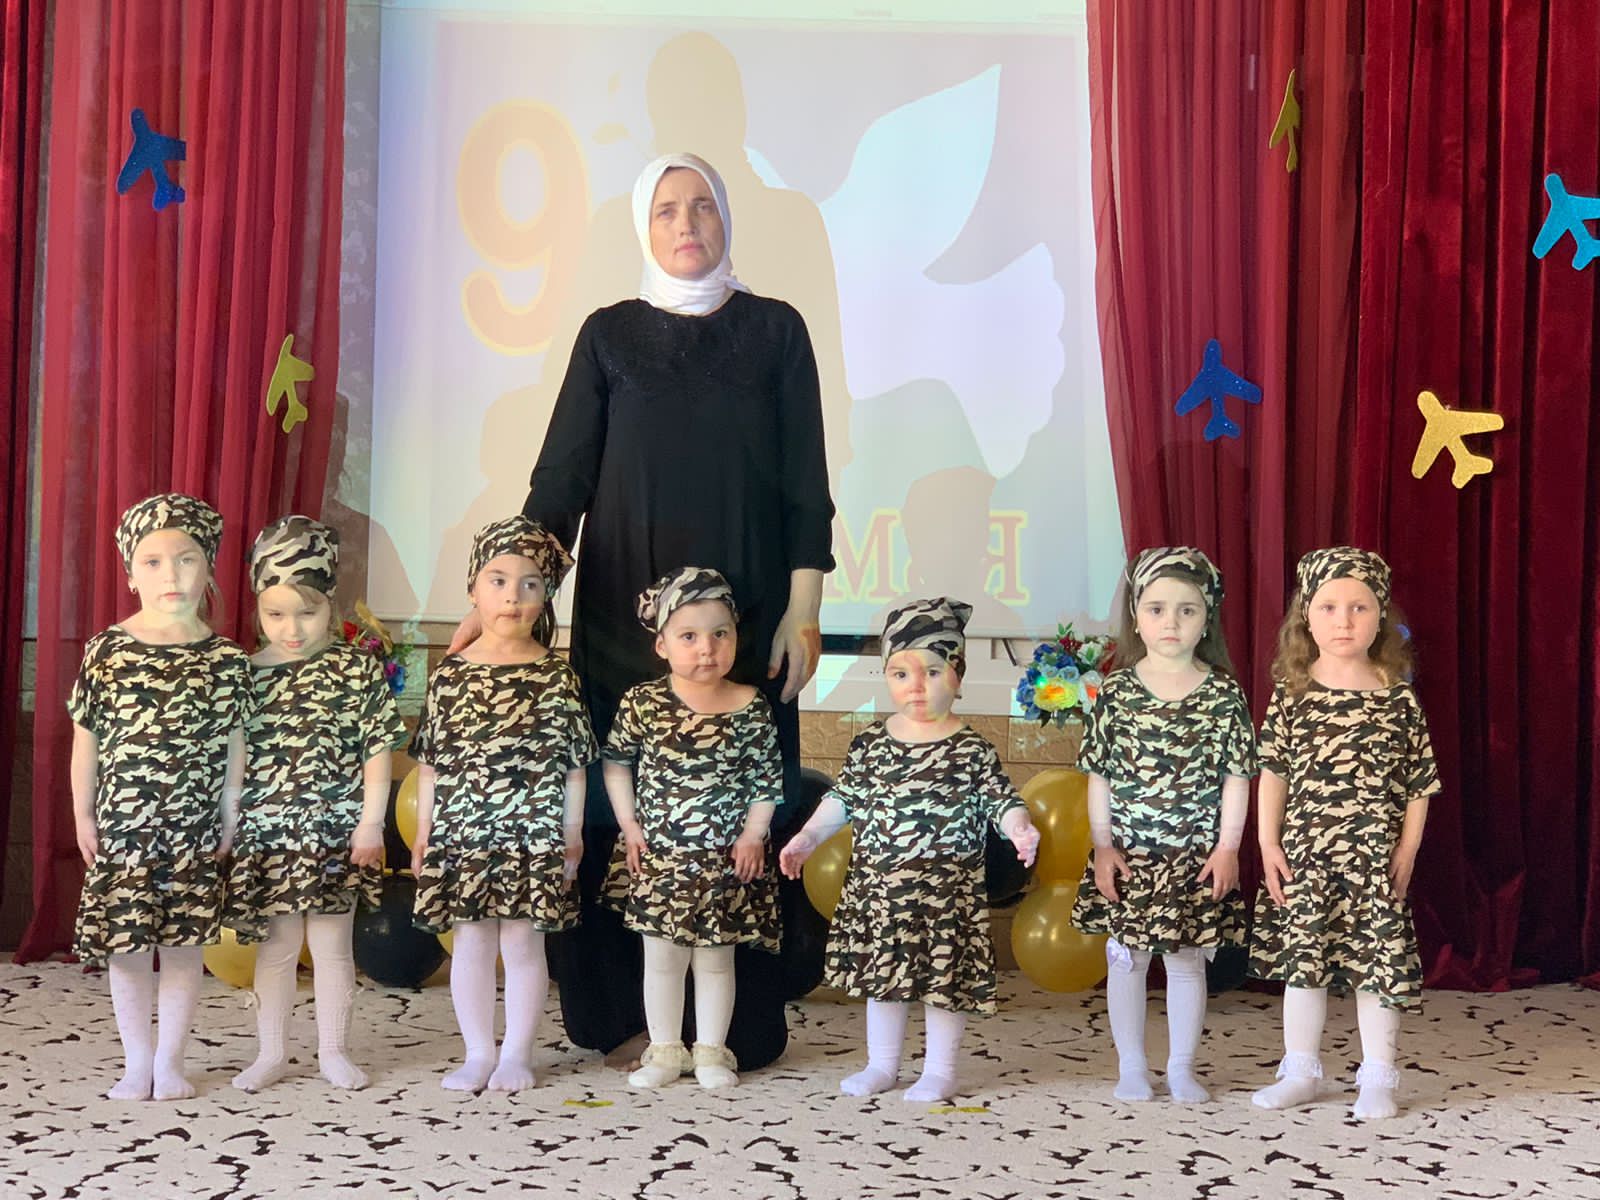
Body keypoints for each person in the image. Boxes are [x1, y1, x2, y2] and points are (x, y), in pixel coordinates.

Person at [451, 151, 835, 1070]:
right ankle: (622, 1009)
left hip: (743, 627)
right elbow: (562, 479)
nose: (686, 222)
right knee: (620, 813)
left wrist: (804, 608)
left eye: (702, 206)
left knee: (741, 816)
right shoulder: (608, 335)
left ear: (726, 218)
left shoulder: (777, 331)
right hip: (622, 632)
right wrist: (504, 599)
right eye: (666, 209)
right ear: (644, 226)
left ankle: (732, 1027)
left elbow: (806, 483)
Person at [779, 598, 1039, 1103]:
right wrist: (807, 839)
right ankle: (882, 1064)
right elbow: (843, 800)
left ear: (958, 675)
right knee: (884, 981)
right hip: (881, 893)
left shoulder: (971, 749)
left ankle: (940, 1070)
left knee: (944, 984)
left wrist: (1019, 828)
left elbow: (1001, 800)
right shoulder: (871, 744)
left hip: (946, 896)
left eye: (933, 671)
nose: (915, 685)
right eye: (900, 673)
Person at [69, 493, 253, 1100]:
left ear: (209, 568)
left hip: (192, 831)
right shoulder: (107, 650)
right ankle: (136, 1062)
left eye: (186, 559)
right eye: (153, 562)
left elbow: (235, 747)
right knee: (126, 948)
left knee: (182, 948)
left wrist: (230, 816)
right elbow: (87, 741)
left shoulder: (226, 660)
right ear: (130, 574)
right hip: (124, 830)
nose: (171, 574)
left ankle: (170, 1062)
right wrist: (82, 813)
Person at [1249, 547, 1439, 1121]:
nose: (1344, 620)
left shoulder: (1396, 696)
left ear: (1381, 617)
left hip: (1373, 863)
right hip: (1308, 859)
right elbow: (1273, 772)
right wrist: (1267, 843)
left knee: (1374, 969)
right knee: (1303, 968)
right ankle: (1301, 1071)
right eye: (1328, 607)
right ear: (1305, 617)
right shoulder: (1292, 692)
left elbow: (1420, 782)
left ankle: (1378, 1076)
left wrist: (1408, 849)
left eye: (1359, 607)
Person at [412, 517, 596, 1092]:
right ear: (473, 589)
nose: (513, 597)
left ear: (545, 597)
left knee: (521, 940)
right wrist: (424, 831)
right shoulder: (450, 675)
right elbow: (431, 763)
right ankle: (477, 1053)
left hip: (534, 834)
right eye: (498, 581)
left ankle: (517, 1054)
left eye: (529, 584)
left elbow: (574, 764)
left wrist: (571, 833)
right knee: (470, 939)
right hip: (463, 832)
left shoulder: (557, 676)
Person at [1070, 547, 1257, 1104]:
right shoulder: (1117, 691)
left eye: (1186, 610)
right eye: (1156, 609)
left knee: (1186, 961)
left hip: (1194, 858)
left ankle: (1181, 1067)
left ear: (1207, 619)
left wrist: (1228, 848)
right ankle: (1131, 1065)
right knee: (1127, 959)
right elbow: (1099, 776)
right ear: (1136, 615)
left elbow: (1237, 777)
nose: (1170, 622)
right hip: (1131, 855)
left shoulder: (1223, 694)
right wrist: (1103, 846)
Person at [227, 516, 407, 1092]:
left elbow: (376, 752)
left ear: (331, 603)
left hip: (336, 833)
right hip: (270, 835)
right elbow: (234, 762)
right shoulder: (246, 675)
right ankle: (271, 1053)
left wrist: (371, 823)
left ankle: (333, 1051)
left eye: (306, 613)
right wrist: (231, 825)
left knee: (331, 946)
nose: (292, 628)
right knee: (277, 947)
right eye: (275, 614)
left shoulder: (355, 669)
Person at [601, 567, 782, 1090]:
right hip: (660, 857)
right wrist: (630, 825)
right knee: (661, 960)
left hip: (725, 861)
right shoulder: (643, 702)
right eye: (689, 636)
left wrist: (753, 834)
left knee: (717, 962)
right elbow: (617, 764)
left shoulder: (751, 706)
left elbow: (765, 780)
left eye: (720, 633)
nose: (707, 648)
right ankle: (663, 1051)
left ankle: (711, 1052)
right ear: (661, 646)